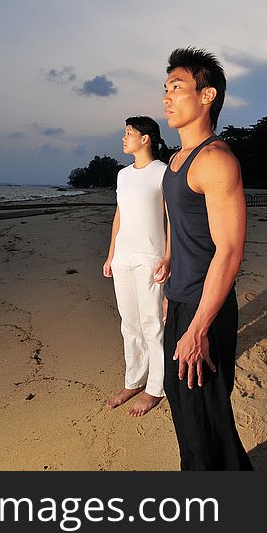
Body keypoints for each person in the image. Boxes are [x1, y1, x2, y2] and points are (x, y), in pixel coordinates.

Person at [161, 47, 253, 470]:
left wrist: (198, 327)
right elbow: (179, 232)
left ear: (206, 95)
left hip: (206, 312)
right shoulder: (176, 161)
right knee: (183, 409)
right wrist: (169, 290)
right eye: (165, 89)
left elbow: (229, 251)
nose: (166, 97)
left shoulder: (216, 161)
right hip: (180, 302)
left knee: (206, 420)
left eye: (177, 87)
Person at [103, 116, 170, 417]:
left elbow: (172, 219)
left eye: (129, 133)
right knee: (128, 324)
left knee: (152, 325)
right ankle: (134, 380)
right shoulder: (123, 175)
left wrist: (169, 257)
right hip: (124, 258)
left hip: (150, 258)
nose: (124, 137)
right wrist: (111, 254)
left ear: (146, 139)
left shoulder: (163, 173)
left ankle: (156, 388)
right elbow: (120, 215)